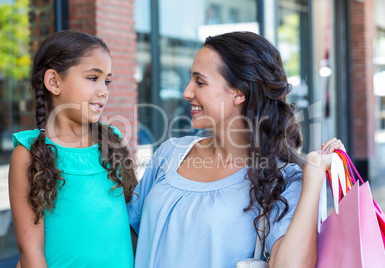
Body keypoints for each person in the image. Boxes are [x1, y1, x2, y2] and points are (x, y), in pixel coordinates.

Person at [127, 31, 345, 268]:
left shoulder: (282, 179)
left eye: (200, 82)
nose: (187, 92)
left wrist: (313, 177)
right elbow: (132, 236)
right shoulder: (169, 153)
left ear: (239, 92)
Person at [9, 30, 137, 267]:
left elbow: (134, 221)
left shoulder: (113, 142)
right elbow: (30, 251)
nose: (104, 91)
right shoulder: (28, 153)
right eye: (92, 78)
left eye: (107, 80)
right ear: (54, 82)